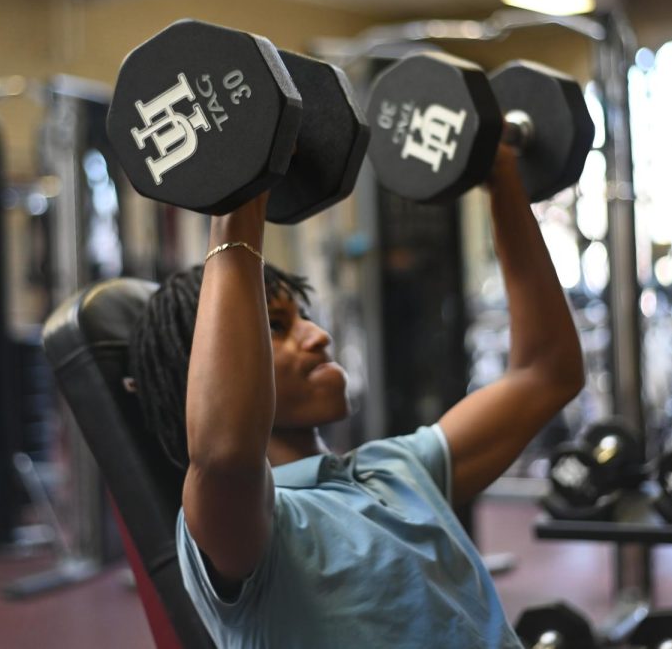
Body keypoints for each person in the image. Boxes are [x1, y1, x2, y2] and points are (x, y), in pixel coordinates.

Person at [130, 145, 584, 648]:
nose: (317, 335)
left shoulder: (397, 468)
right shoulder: (242, 528)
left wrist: (501, 174)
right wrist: (237, 186)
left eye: (302, 316)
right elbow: (224, 452)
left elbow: (547, 372)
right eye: (276, 326)